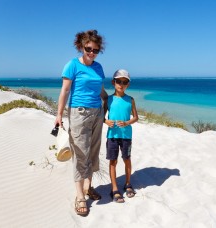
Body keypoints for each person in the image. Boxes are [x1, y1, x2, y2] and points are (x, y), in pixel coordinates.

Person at [55, 29, 107, 216]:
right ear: (81, 47)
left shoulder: (98, 67)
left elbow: (100, 88)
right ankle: (79, 196)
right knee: (80, 153)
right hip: (79, 113)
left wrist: (109, 100)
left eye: (95, 50)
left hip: (97, 113)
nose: (91, 53)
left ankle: (88, 186)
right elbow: (65, 91)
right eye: (88, 49)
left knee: (93, 151)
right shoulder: (72, 65)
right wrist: (59, 114)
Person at [104, 69, 138, 203]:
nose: (121, 84)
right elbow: (101, 116)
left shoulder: (130, 100)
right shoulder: (108, 99)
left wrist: (127, 122)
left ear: (128, 84)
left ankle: (128, 184)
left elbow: (136, 117)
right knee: (113, 161)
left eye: (125, 82)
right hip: (112, 135)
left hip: (126, 136)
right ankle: (114, 188)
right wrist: (106, 121)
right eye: (119, 81)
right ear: (113, 82)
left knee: (127, 159)